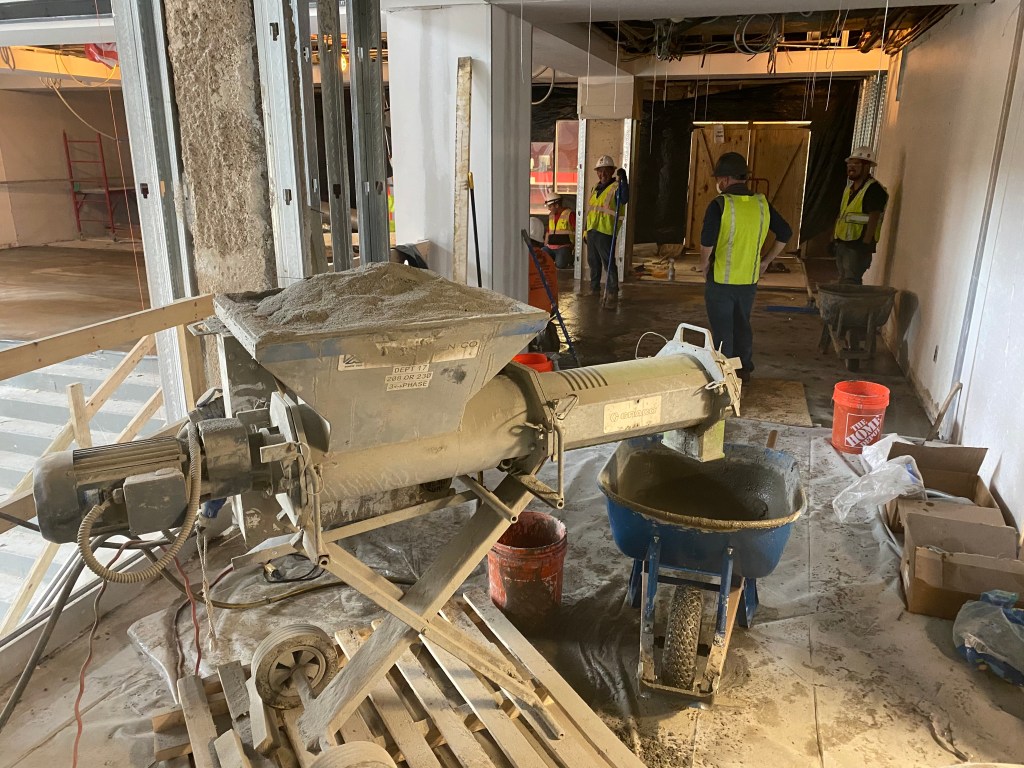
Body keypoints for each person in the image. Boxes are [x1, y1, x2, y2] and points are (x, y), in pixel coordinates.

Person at [699, 152, 792, 384]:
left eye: (718, 179)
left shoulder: (719, 204)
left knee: (723, 331)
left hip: (721, 281)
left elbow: (707, 242)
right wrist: (766, 261)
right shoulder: (761, 204)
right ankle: (744, 371)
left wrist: (704, 265)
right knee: (742, 326)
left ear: (724, 179)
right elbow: (785, 233)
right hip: (748, 281)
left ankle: (725, 377)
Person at [832, 146, 889, 284]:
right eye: (849, 163)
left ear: (867, 166)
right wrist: (833, 239)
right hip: (843, 243)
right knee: (843, 281)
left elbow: (874, 217)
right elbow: (842, 215)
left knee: (851, 283)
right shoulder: (849, 189)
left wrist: (866, 244)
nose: (851, 167)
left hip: (858, 245)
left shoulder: (874, 190)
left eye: (856, 163)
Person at [585, 155, 629, 294]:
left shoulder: (616, 187)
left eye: (606, 171)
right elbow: (590, 212)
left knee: (608, 263)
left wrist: (624, 181)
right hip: (592, 230)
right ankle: (594, 288)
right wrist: (585, 230)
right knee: (593, 262)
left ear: (612, 171)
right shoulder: (595, 188)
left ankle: (612, 290)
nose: (602, 174)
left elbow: (624, 198)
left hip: (606, 231)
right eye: (600, 171)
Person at [543, 192, 575, 269]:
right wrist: (545, 245)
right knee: (540, 255)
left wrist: (574, 248)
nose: (548, 209)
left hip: (564, 247)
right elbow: (548, 232)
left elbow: (577, 231)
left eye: (550, 206)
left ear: (557, 205)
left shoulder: (569, 214)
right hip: (550, 247)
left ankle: (569, 259)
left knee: (560, 264)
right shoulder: (551, 215)